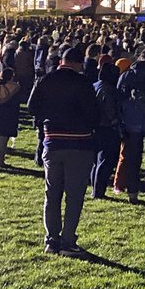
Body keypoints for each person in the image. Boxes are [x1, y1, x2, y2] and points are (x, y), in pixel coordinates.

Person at [27, 45, 102, 256]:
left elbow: (32, 107)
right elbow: (94, 113)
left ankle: (52, 239)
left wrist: (48, 118)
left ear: (61, 60)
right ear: (79, 64)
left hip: (53, 140)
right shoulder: (83, 83)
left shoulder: (46, 80)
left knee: (52, 193)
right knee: (74, 195)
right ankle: (68, 239)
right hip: (79, 143)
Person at [115, 48, 145, 203]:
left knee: (132, 159)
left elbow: (118, 99)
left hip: (131, 121)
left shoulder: (127, 75)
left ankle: (133, 191)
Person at [91, 60, 123, 199]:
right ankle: (99, 191)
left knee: (96, 161)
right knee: (105, 161)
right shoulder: (109, 90)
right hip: (107, 127)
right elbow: (110, 111)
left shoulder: (95, 85)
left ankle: (95, 187)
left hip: (95, 126)